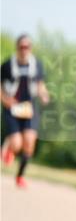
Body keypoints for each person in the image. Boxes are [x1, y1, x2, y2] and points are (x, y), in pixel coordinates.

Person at [2, 34, 50, 188]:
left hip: (29, 107)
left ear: (30, 48)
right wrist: (5, 100)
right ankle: (10, 146)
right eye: (21, 47)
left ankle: (20, 176)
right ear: (17, 48)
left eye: (27, 47)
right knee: (17, 144)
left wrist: (43, 94)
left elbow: (40, 84)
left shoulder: (37, 65)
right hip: (13, 107)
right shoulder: (8, 65)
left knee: (29, 142)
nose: (24, 50)